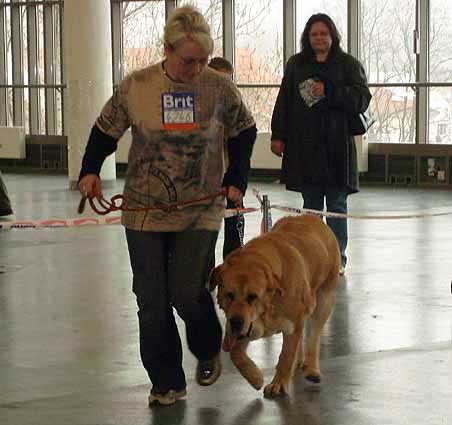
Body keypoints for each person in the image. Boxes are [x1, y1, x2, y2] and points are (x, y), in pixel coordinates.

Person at [78, 5, 256, 406]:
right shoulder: (136, 86)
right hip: (144, 208)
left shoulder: (218, 87)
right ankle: (166, 381)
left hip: (200, 207)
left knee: (187, 293)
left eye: (204, 60)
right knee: (152, 301)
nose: (196, 68)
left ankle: (209, 345)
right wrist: (90, 171)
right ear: (167, 50)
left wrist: (236, 179)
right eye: (189, 60)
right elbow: (105, 130)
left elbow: (245, 131)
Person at [270, 13, 371, 275]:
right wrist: (278, 135)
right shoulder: (296, 64)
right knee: (311, 205)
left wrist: (330, 92)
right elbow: (284, 100)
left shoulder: (348, 64)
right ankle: (311, 257)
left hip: (337, 146)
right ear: (307, 37)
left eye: (323, 34)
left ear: (332, 36)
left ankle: (338, 258)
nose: (319, 39)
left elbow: (361, 99)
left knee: (337, 204)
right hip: (306, 146)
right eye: (314, 34)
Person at [207, 57, 256, 262]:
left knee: (234, 224)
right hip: (204, 180)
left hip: (230, 174)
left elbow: (245, 140)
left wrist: (237, 180)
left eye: (228, 81)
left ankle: (234, 265)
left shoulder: (236, 107)